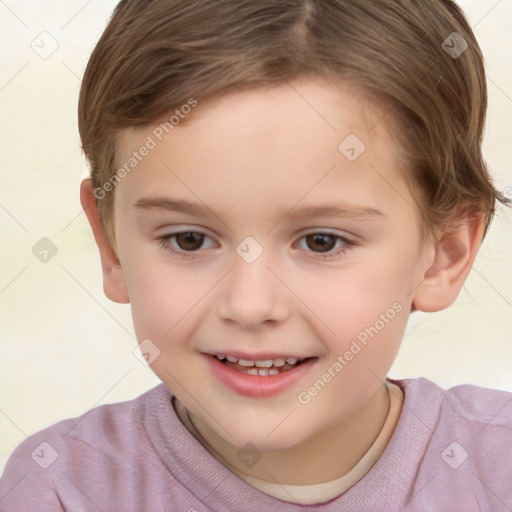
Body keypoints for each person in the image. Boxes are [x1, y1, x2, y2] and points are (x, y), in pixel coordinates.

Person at [1, 0, 511, 510]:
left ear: (444, 254)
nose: (249, 305)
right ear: (111, 247)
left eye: (321, 242)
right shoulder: (60, 488)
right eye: (189, 240)